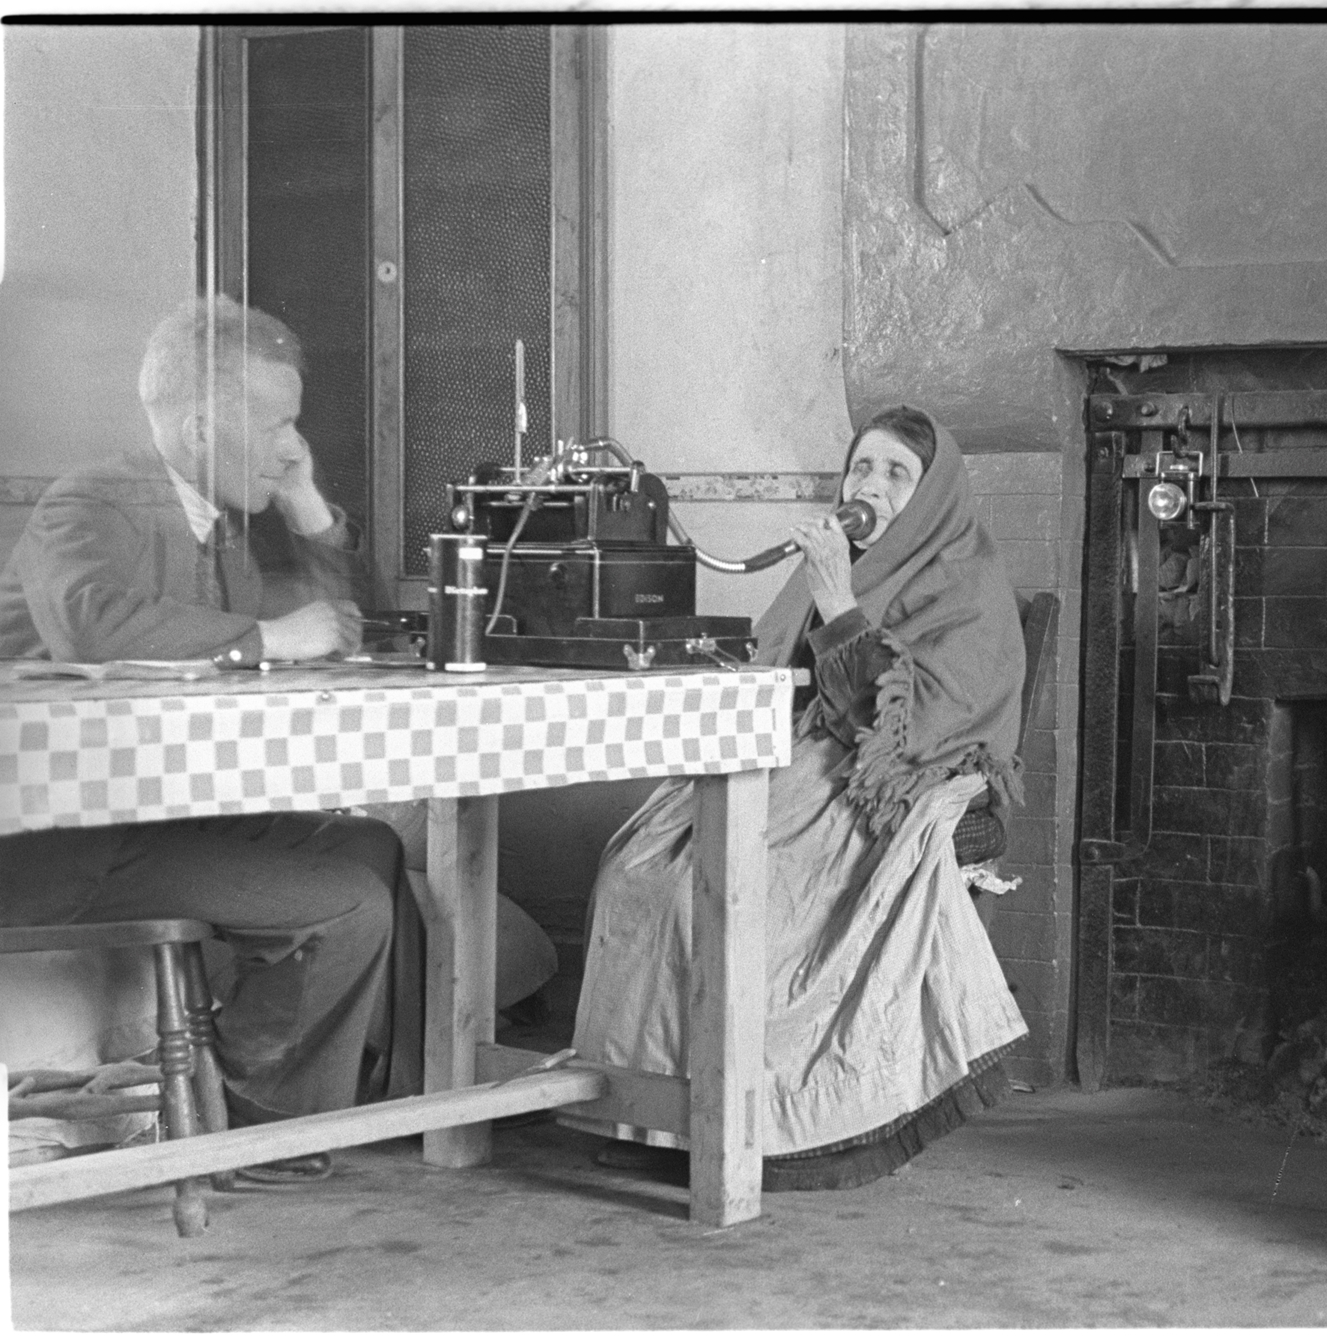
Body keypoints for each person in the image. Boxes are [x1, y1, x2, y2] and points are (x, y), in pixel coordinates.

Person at [0, 297, 547, 1175]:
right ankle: (257, 1123)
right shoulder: (95, 500)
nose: (294, 443)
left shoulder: (218, 526)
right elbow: (88, 627)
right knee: (345, 901)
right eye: (277, 424)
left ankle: (373, 1089)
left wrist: (307, 509)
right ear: (202, 424)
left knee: (369, 845)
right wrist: (268, 638)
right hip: (65, 844)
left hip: (156, 815)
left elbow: (350, 623)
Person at [571, 405, 1029, 1189]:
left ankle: (744, 1118)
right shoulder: (844, 559)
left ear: (929, 497)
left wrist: (839, 600)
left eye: (895, 474)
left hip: (880, 776)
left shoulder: (968, 583)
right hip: (799, 755)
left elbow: (911, 725)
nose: (871, 487)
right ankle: (649, 1113)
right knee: (636, 869)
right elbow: (775, 668)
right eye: (862, 468)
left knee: (707, 894)